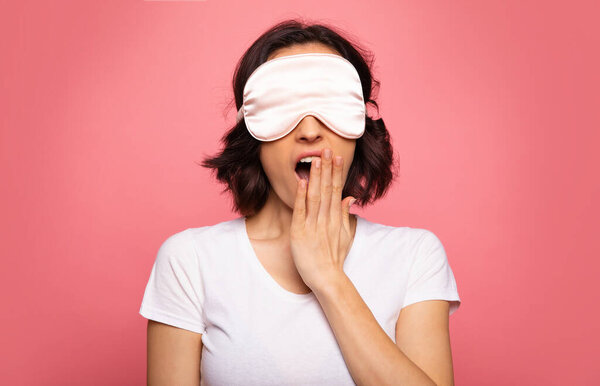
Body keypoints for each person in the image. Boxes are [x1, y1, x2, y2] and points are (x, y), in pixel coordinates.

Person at [139, 19, 461, 386]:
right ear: (252, 133)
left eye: (328, 105)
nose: (309, 130)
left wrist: (328, 277)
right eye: (284, 106)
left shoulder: (414, 256)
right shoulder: (190, 261)